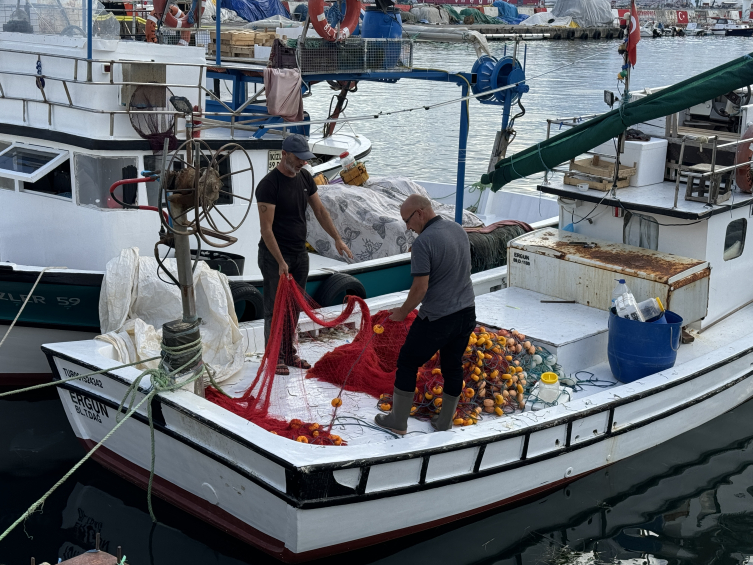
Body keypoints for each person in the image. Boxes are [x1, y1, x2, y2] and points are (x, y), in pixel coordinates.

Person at [375, 194, 476, 434]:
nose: (408, 228)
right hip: (467, 312)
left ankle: (398, 422)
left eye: (407, 221)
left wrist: (401, 312)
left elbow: (420, 289)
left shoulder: (423, 242)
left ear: (420, 213)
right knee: (453, 365)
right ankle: (444, 422)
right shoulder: (458, 229)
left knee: (408, 362)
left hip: (438, 318)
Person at [256, 134, 353, 375]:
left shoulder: (305, 178)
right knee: (274, 308)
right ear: (284, 155)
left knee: (295, 307)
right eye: (299, 159)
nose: (303, 163)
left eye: (305, 159)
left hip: (299, 254)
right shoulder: (269, 185)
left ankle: (289, 353)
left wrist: (337, 238)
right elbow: (266, 230)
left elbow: (319, 210)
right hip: (274, 255)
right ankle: (274, 356)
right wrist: (280, 261)